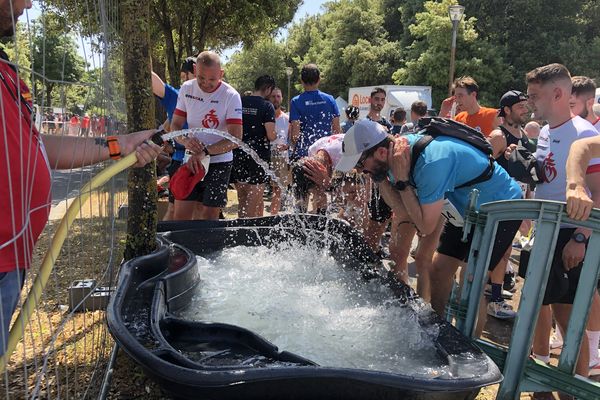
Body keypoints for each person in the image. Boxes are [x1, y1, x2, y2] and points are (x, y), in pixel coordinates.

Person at [0, 0, 163, 358]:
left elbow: (37, 146)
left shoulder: (5, 73)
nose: (27, 4)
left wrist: (121, 145)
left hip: (10, 262)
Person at [336, 119, 522, 318]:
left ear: (380, 152)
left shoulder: (430, 162)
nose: (362, 172)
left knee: (470, 283)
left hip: (500, 205)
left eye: (361, 164)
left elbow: (425, 226)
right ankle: (439, 329)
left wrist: (403, 183)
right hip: (464, 207)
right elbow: (404, 211)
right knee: (438, 273)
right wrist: (381, 179)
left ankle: (468, 343)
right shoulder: (394, 159)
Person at [526, 63, 600, 378]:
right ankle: (540, 371)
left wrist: (581, 238)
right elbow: (547, 179)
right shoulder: (544, 131)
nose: (529, 103)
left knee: (570, 320)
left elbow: (597, 192)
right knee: (537, 309)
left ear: (557, 93)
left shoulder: (584, 133)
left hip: (570, 233)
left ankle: (578, 385)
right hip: (545, 231)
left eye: (534, 96)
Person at [169, 51, 243, 221]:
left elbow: (236, 139)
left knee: (209, 216)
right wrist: (185, 141)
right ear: (195, 70)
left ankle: (208, 247)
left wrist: (206, 151)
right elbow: (175, 126)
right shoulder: (187, 88)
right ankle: (181, 247)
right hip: (192, 158)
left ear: (221, 74)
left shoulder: (231, 95)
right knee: (181, 214)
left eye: (212, 80)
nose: (206, 84)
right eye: (201, 78)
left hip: (219, 162)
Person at [151, 57, 197, 220]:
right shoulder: (177, 95)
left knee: (201, 213)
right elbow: (151, 79)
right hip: (181, 161)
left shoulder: (215, 95)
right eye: (196, 72)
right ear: (185, 76)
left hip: (207, 163)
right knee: (174, 210)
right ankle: (166, 244)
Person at [230, 75, 276, 218]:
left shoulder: (239, 101)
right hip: (258, 156)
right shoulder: (267, 106)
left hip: (238, 152)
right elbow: (270, 134)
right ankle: (248, 230)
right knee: (253, 199)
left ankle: (240, 227)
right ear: (268, 89)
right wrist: (276, 136)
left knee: (242, 198)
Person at [289, 64, 340, 161]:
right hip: (324, 154)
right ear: (319, 79)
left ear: (302, 81)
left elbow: (295, 136)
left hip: (304, 155)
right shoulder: (330, 99)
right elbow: (336, 131)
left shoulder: (296, 101)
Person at [268, 87, 291, 215]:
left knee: (277, 190)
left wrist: (287, 146)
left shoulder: (287, 119)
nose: (276, 99)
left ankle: (273, 216)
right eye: (273, 96)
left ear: (281, 98)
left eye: (278, 96)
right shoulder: (265, 117)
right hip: (265, 156)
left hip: (281, 158)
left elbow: (292, 140)